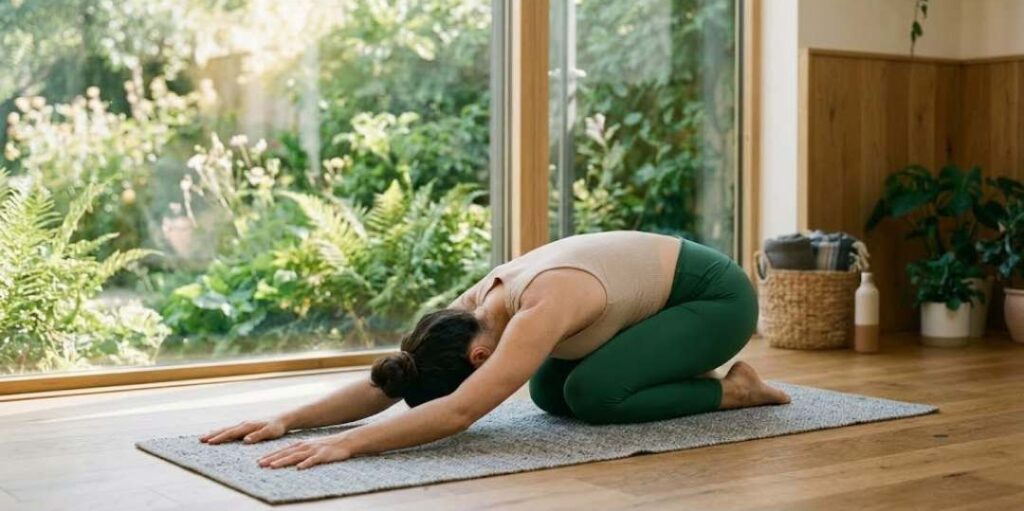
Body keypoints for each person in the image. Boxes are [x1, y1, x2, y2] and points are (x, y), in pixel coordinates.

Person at [200, 231, 790, 470]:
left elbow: (459, 413)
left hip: (715, 299)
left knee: (592, 394)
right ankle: (691, 374)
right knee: (548, 392)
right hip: (654, 302)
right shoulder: (472, 308)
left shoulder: (538, 309)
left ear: (477, 360)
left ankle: (733, 389)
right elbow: (393, 379)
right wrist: (289, 419)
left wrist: (348, 444)